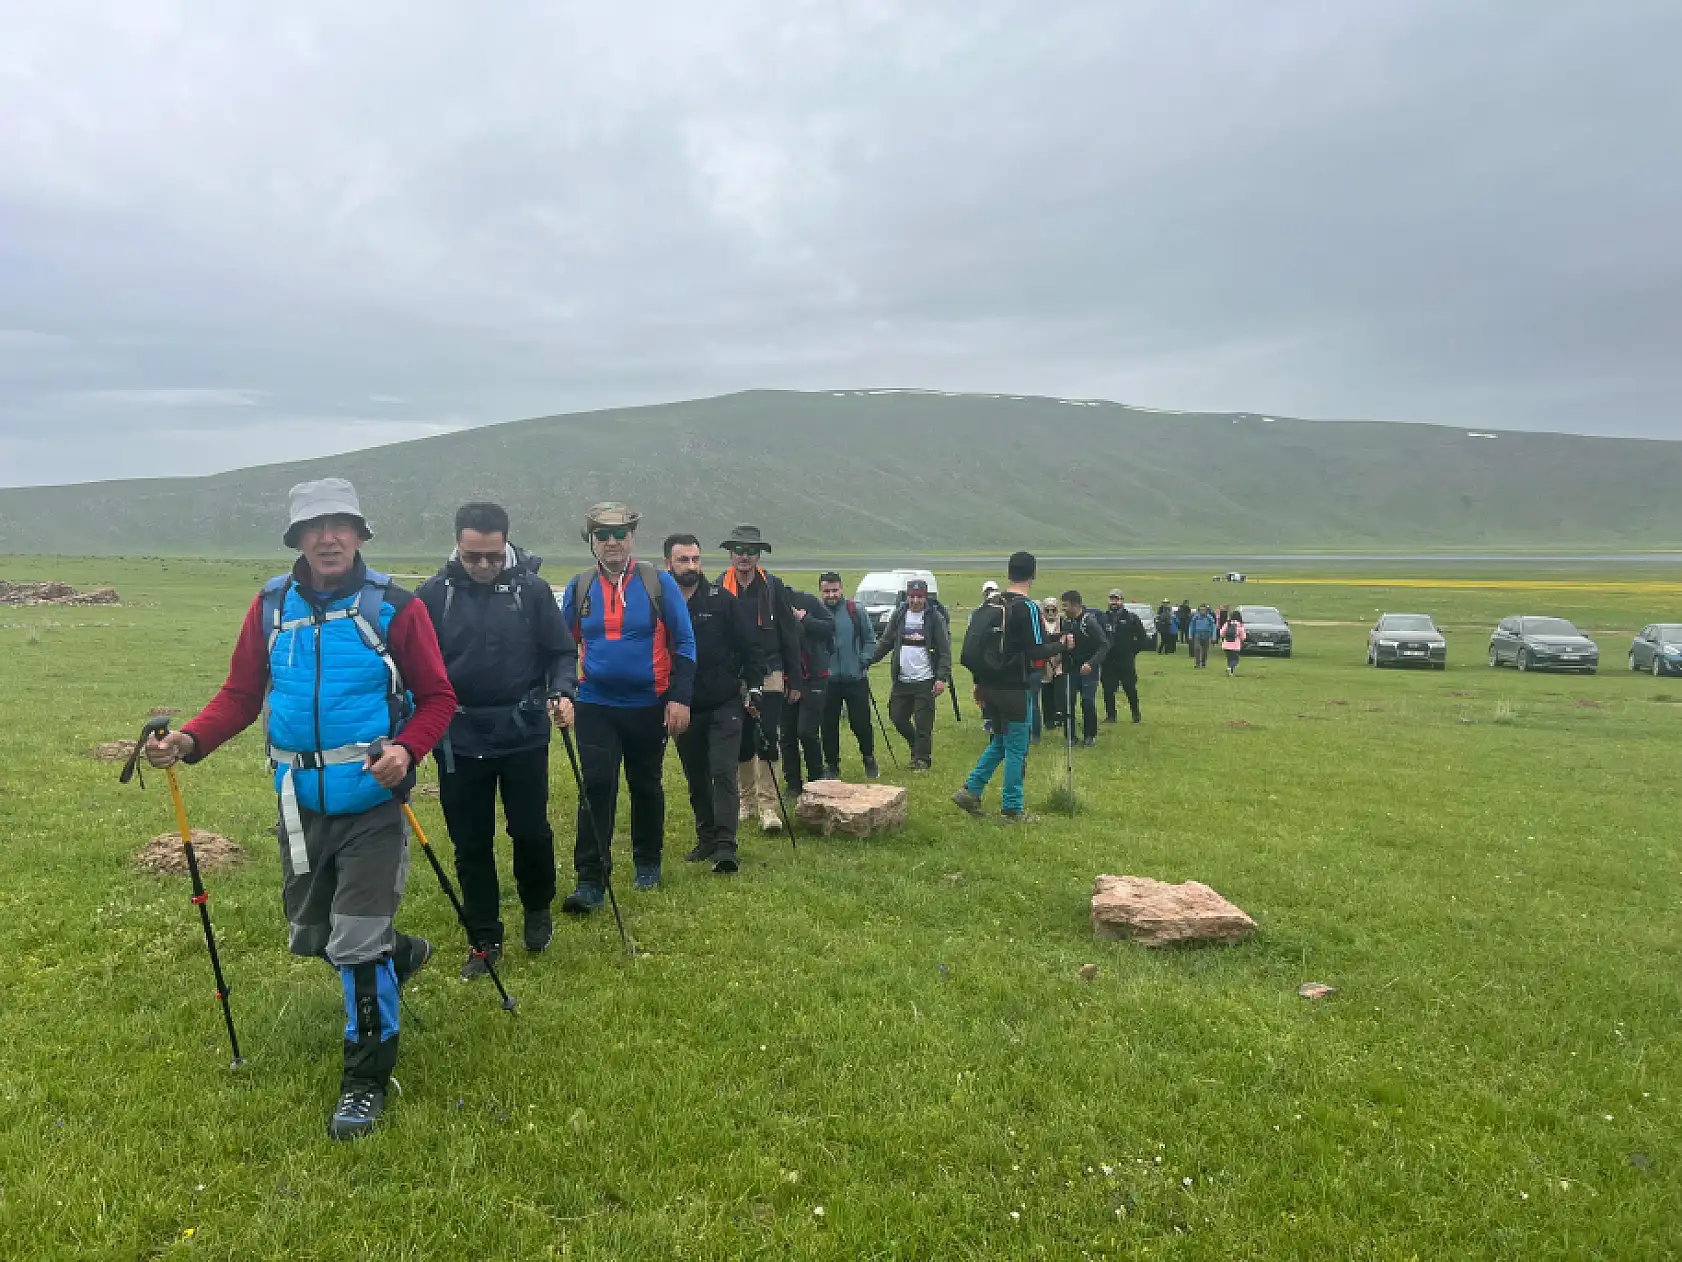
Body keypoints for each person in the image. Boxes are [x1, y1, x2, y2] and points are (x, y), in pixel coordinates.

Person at [142, 478, 456, 1141]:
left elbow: (437, 697)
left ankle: (365, 1083)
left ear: (361, 534)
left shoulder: (399, 608)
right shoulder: (270, 606)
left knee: (356, 943)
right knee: (314, 936)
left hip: (372, 802)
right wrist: (191, 740)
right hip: (298, 804)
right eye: (315, 527)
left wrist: (406, 750)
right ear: (297, 539)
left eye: (342, 524)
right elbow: (240, 692)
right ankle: (401, 954)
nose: (329, 537)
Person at [416, 503, 576, 979]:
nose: (483, 566)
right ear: (457, 546)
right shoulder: (432, 594)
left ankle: (536, 906)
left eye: (492, 556)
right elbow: (415, 664)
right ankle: (483, 938)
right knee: (470, 842)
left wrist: (562, 690)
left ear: (506, 543)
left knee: (530, 830)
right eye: (472, 557)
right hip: (458, 738)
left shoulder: (532, 590)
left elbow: (560, 652)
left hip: (523, 732)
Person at [559, 504, 697, 909]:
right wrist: (563, 691)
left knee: (645, 784)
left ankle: (648, 861)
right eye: (602, 534)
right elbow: (562, 645)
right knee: (597, 786)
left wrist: (679, 697)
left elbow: (685, 642)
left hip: (649, 705)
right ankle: (590, 880)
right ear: (592, 541)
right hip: (595, 705)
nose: (612, 542)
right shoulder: (579, 586)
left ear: (632, 537)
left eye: (620, 533)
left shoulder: (657, 582)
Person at [665, 534, 765, 874]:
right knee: (696, 775)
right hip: (682, 705)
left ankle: (726, 846)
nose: (691, 566)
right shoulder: (661, 604)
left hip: (725, 702)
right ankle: (706, 838)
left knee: (723, 770)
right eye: (683, 560)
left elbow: (751, 646)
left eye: (695, 559)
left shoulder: (722, 600)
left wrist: (754, 688)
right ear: (669, 564)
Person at [950, 551, 1068, 822]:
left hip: (990, 684)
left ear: (1008, 573)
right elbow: (1036, 650)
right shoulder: (1026, 607)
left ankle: (971, 790)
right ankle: (1012, 808)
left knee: (1001, 741)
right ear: (1033, 575)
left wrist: (979, 683)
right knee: (1017, 746)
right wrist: (1063, 646)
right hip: (1014, 688)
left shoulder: (995, 604)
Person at [718, 525, 805, 833]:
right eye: (739, 550)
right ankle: (746, 802)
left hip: (770, 668)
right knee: (741, 736)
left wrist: (795, 678)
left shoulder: (773, 587)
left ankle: (769, 806)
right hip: (735, 673)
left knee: (767, 734)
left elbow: (789, 633)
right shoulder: (719, 587)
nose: (744, 556)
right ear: (731, 553)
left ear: (759, 555)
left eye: (751, 551)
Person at [869, 577, 951, 771]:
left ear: (925, 597)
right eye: (912, 597)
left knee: (923, 724)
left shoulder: (934, 618)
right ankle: (915, 745)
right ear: (907, 596)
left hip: (925, 680)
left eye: (919, 597)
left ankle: (922, 760)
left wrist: (941, 678)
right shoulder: (899, 615)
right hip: (902, 680)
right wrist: (868, 661)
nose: (915, 601)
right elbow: (886, 642)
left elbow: (944, 651)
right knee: (897, 717)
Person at [819, 572, 879, 779]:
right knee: (828, 726)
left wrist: (863, 660)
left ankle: (869, 759)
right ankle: (832, 766)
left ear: (841, 588)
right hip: (828, 681)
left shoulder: (855, 611)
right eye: (827, 591)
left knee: (861, 723)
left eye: (834, 590)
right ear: (821, 591)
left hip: (856, 679)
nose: (831, 594)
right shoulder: (816, 613)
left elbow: (871, 640)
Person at [780, 586, 836, 793]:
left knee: (806, 731)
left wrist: (804, 619)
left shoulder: (807, 601)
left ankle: (816, 779)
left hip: (814, 677)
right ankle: (793, 784)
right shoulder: (767, 607)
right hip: (787, 679)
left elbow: (830, 626)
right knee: (786, 735)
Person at [1058, 591, 1110, 747]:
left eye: (1066, 605)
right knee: (1068, 702)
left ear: (1075, 605)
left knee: (1087, 702)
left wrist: (1091, 663)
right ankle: (1070, 736)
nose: (1063, 609)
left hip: (1088, 669)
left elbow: (1104, 645)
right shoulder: (1067, 622)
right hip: (1072, 669)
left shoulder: (1089, 623)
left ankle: (1090, 735)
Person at [1101, 589, 1147, 723]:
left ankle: (1135, 714)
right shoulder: (1103, 618)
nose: (1114, 602)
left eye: (1117, 599)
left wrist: (1132, 651)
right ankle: (1111, 716)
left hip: (1126, 660)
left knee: (1130, 688)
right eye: (1112, 599)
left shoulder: (1131, 618)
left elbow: (1142, 638)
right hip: (1108, 661)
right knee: (1108, 690)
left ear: (1122, 601)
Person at [1187, 603, 1218, 669]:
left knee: (1205, 650)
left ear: (1206, 610)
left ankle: (1203, 662)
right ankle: (1197, 664)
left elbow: (1213, 627)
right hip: (1197, 635)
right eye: (1201, 610)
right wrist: (1190, 635)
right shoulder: (1196, 617)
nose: (1202, 611)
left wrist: (1214, 637)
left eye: (1204, 610)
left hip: (1206, 636)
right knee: (1197, 648)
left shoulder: (1209, 617)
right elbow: (1191, 626)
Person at [1220, 608, 1247, 674]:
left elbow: (1221, 633)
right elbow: (1243, 637)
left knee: (1229, 659)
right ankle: (1229, 668)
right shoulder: (1240, 625)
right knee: (1235, 660)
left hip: (1226, 645)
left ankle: (1230, 672)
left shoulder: (1227, 623)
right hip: (1235, 646)